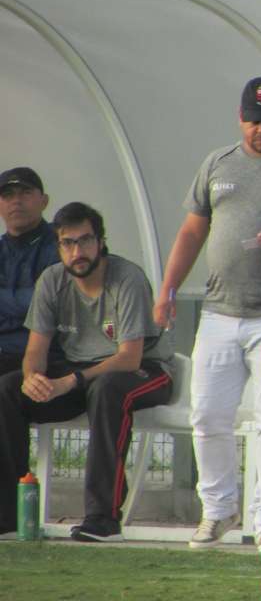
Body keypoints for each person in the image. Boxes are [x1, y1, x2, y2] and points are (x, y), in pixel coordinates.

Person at [154, 76, 261, 552]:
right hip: (219, 311)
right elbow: (191, 233)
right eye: (251, 120)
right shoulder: (217, 164)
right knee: (207, 416)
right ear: (240, 118)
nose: (260, 130)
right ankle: (218, 510)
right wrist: (168, 289)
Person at [0, 202, 173, 541]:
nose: (77, 251)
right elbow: (36, 349)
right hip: (81, 371)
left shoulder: (127, 277)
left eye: (85, 240)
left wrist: (69, 381)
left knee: (108, 389)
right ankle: (8, 516)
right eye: (68, 243)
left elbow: (130, 357)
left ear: (100, 241)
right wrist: (34, 377)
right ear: (58, 246)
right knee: (8, 389)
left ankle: (103, 519)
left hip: (145, 370)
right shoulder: (51, 279)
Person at [0, 167, 59, 376]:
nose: (16, 201)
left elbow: (45, 304)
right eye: (7, 195)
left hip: (48, 353)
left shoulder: (63, 244)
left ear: (44, 201)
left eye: (25, 193)